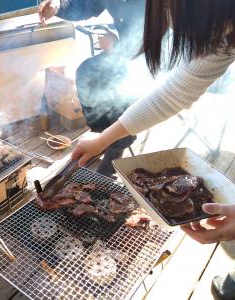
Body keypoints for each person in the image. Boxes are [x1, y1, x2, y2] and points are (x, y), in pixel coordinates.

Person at [71, 0, 235, 298]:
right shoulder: (224, 36)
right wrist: (102, 139)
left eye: (174, 12)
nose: (171, 23)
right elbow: (173, 93)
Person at [39, 0, 145, 177]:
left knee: (121, 89)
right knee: (87, 73)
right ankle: (101, 135)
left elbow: (165, 44)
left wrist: (117, 48)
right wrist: (58, 7)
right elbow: (86, 6)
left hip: (149, 63)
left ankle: (119, 142)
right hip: (121, 55)